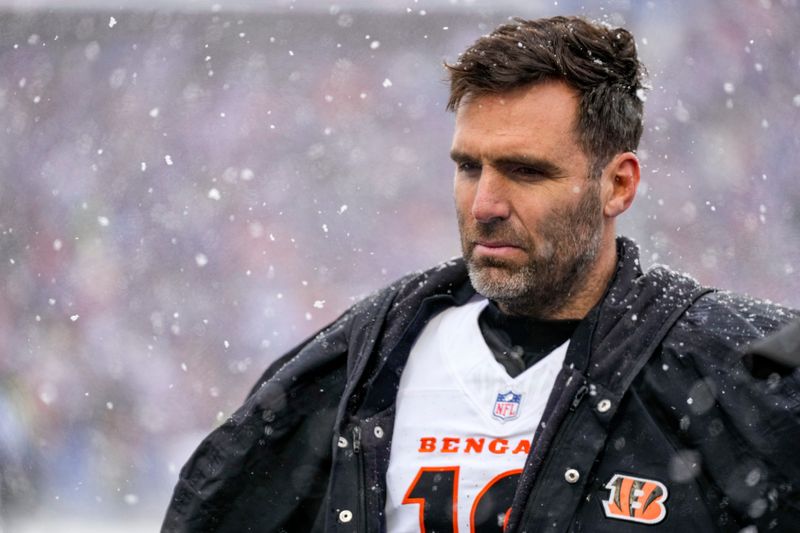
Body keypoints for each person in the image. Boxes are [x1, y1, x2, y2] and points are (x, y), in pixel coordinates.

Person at [162, 16, 800, 532]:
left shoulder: (737, 375)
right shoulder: (366, 358)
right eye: (470, 167)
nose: (485, 204)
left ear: (618, 184)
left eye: (526, 171)